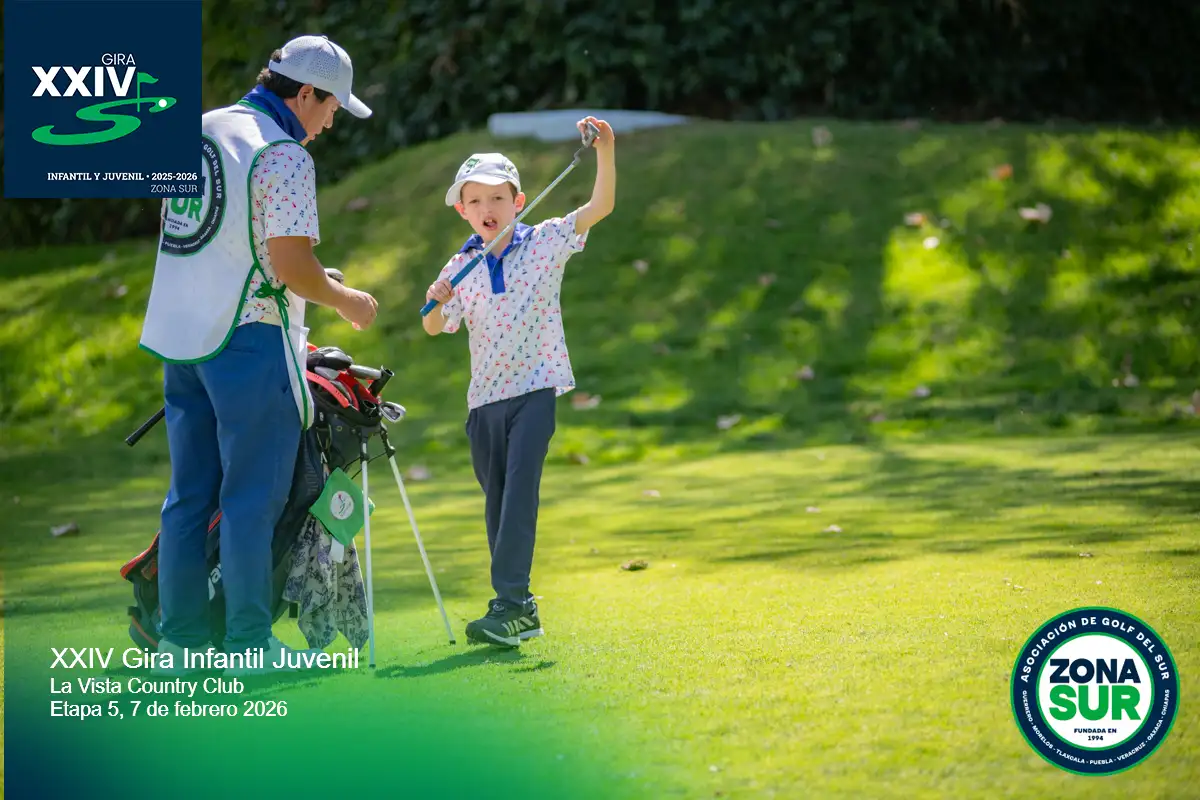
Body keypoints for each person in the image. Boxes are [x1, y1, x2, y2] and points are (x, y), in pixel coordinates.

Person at [139, 35, 378, 676]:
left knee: (189, 496)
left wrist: (308, 279)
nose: (330, 123)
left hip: (180, 337)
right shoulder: (283, 153)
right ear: (307, 94)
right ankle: (248, 647)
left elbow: (214, 240)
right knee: (251, 497)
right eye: (332, 108)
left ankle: (180, 644)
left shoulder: (198, 128)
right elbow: (292, 266)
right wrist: (347, 300)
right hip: (247, 338)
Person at [422, 116, 617, 646]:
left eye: (497, 198)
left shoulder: (546, 241)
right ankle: (519, 609)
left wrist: (605, 150)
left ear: (518, 202)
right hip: (483, 402)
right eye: (475, 200)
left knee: (518, 499)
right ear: (463, 211)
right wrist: (436, 302)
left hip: (534, 391)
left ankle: (509, 602)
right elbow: (434, 328)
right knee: (498, 503)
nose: (487, 208)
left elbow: (600, 207)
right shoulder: (461, 264)